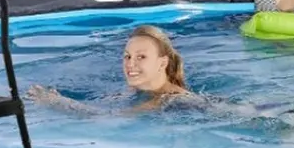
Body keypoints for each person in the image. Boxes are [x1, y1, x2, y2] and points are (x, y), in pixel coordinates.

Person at [27, 25, 195, 114]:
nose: (130, 64)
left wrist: (56, 102)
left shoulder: (169, 99)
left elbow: (107, 119)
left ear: (162, 63)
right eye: (127, 56)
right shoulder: (138, 90)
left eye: (141, 57)